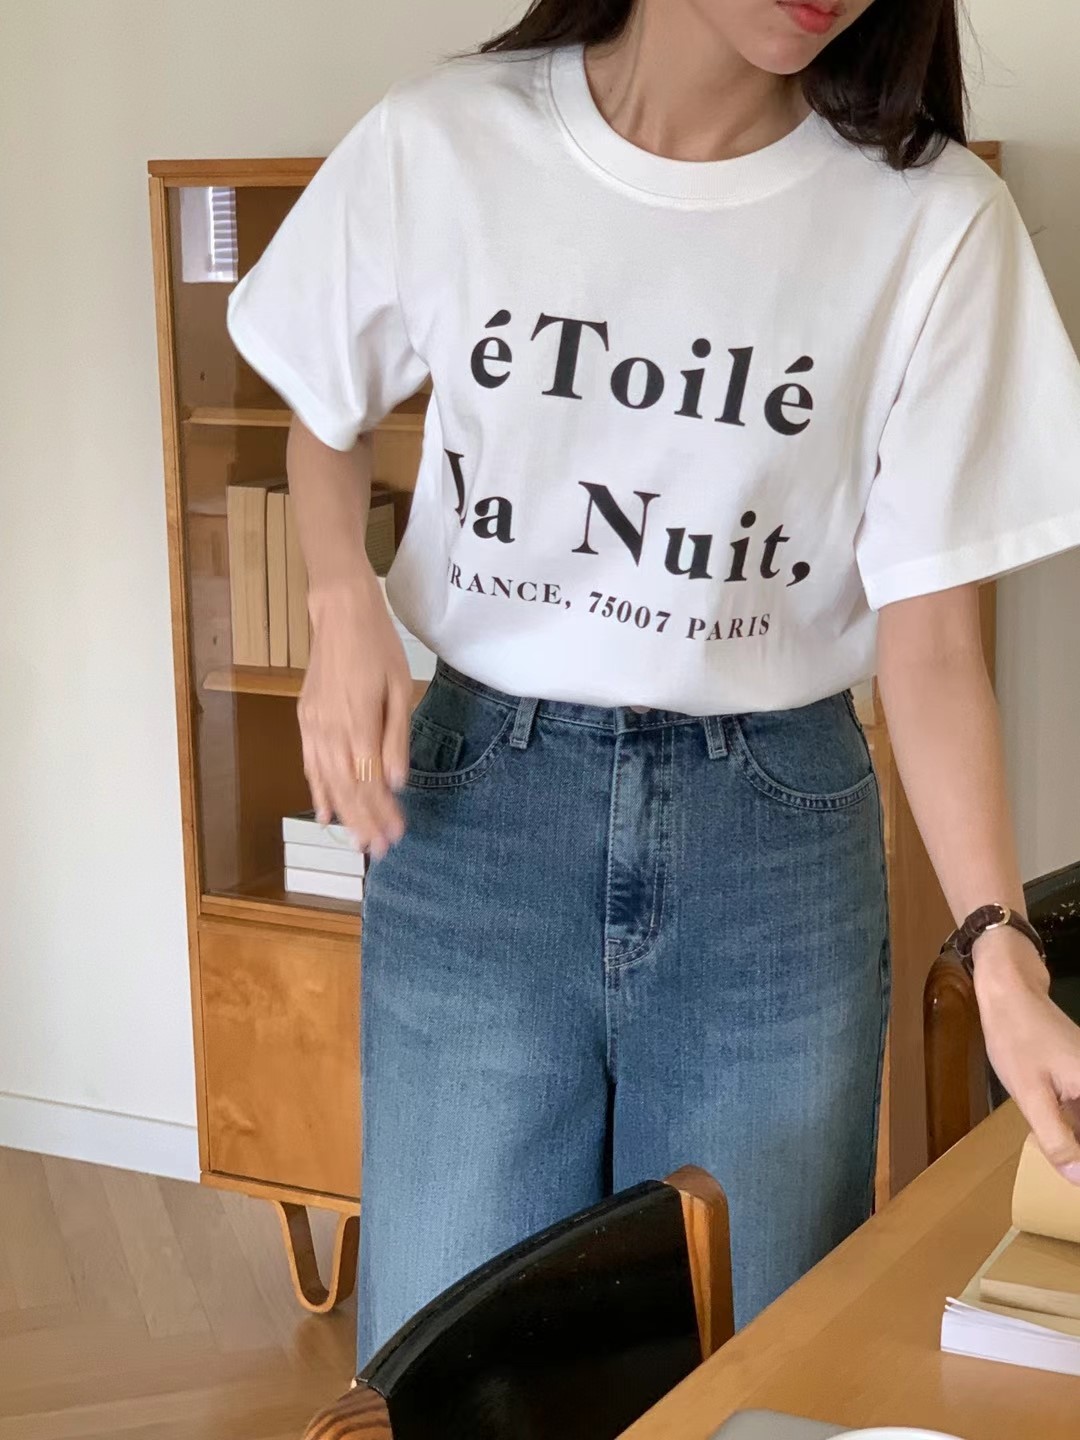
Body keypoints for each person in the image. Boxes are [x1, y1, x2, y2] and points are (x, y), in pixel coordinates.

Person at [227, 0, 1080, 1368]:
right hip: (479, 819)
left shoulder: (933, 220)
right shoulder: (448, 140)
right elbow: (321, 407)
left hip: (773, 849)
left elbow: (932, 645)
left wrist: (1000, 948)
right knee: (459, 1372)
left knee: (749, 1366)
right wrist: (341, 599)